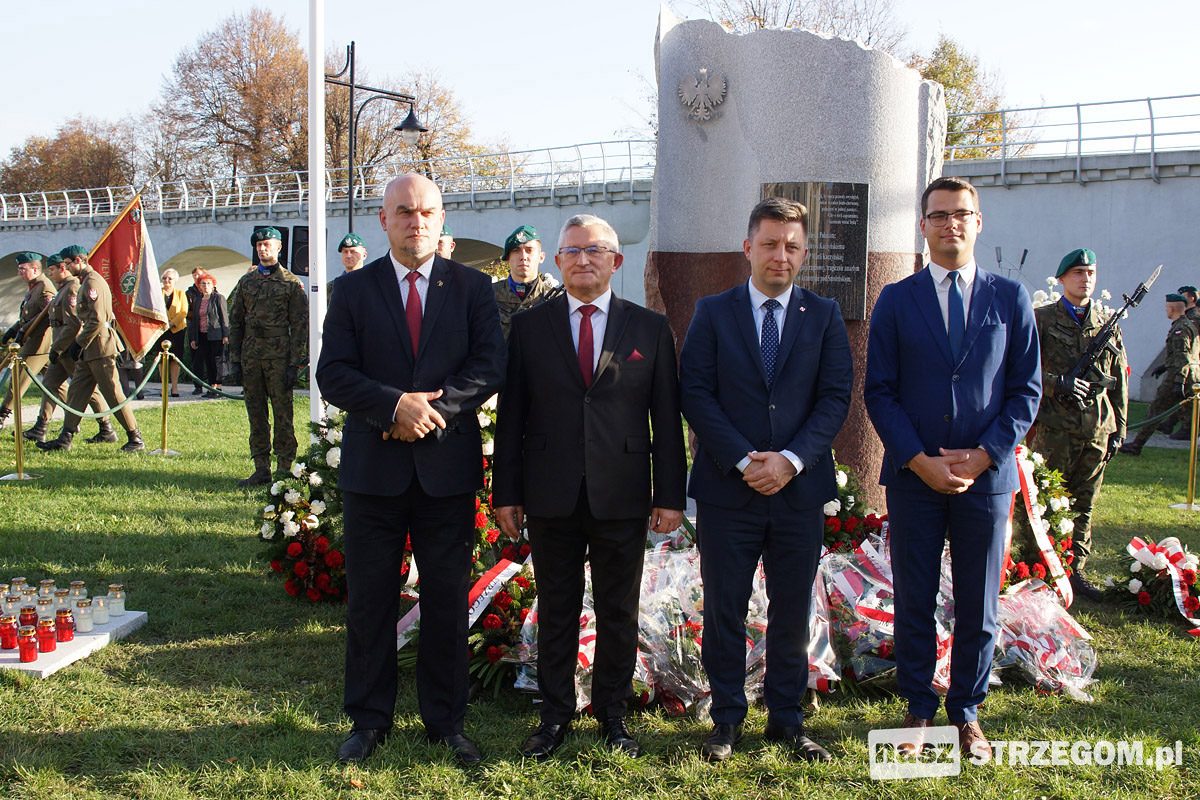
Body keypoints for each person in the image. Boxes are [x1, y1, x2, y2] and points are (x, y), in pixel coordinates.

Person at [316, 174, 505, 767]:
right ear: (383, 220)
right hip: (374, 472)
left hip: (445, 472)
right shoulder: (353, 291)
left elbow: (488, 366)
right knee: (370, 601)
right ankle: (369, 721)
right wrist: (390, 407)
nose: (416, 221)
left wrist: (427, 411)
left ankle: (445, 721)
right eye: (404, 212)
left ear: (441, 218)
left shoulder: (473, 287)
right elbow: (334, 373)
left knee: (447, 600)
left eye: (426, 212)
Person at [494, 214, 686, 761]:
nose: (583, 259)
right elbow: (512, 417)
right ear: (557, 262)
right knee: (557, 607)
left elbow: (666, 421)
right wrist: (506, 492)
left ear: (615, 261)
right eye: (572, 251)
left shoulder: (648, 328)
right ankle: (554, 716)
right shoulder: (530, 328)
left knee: (617, 610)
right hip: (551, 491)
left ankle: (613, 715)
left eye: (595, 249)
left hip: (621, 493)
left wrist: (670, 494)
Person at [864, 177, 1041, 760]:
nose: (950, 224)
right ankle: (918, 708)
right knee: (913, 597)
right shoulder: (895, 298)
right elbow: (880, 392)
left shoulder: (1010, 299)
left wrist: (987, 452)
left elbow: (1026, 392)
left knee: (979, 602)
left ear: (978, 221)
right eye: (938, 215)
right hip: (915, 478)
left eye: (961, 213)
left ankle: (966, 713)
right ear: (923, 226)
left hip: (986, 479)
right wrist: (919, 461)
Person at [678, 198, 853, 763]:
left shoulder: (823, 316)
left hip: (798, 490)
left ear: (803, 254)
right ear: (748, 247)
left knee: (791, 607)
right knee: (725, 607)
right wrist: (744, 461)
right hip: (729, 490)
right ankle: (726, 718)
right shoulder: (712, 311)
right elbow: (695, 393)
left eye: (793, 246)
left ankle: (786, 719)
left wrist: (790, 461)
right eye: (772, 243)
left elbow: (834, 399)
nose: (782, 255)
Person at [1029, 248, 1127, 601]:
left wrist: (1120, 427)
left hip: (1097, 429)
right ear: (1061, 279)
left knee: (1084, 504)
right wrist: (1059, 383)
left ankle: (1076, 572)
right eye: (1078, 273)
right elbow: (1023, 370)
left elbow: (1119, 378)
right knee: (1045, 501)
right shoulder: (1040, 319)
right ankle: (1038, 568)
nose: (1085, 279)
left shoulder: (1106, 322)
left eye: (1090, 273)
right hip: (1055, 430)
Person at [38, 245, 146, 453]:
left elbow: (97, 319)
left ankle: (135, 437)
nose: (67, 268)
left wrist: (79, 342)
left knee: (114, 394)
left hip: (100, 347)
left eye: (69, 264)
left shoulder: (92, 282)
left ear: (79, 260)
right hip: (91, 348)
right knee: (77, 392)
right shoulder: (85, 281)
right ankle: (65, 437)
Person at [228, 227, 308, 486]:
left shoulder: (290, 283)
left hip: (279, 357)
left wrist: (294, 363)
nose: (263, 249)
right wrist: (236, 360)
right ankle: (261, 467)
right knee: (256, 413)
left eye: (268, 244)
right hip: (252, 356)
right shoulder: (246, 282)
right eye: (260, 245)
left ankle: (284, 468)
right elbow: (236, 321)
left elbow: (299, 325)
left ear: (279, 247)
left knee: (283, 414)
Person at [21, 253, 111, 443]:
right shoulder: (63, 288)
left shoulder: (72, 288)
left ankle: (106, 427)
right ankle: (41, 426)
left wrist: (60, 347)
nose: (50, 274)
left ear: (64, 267)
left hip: (69, 348)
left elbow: (73, 324)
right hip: (59, 348)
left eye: (52, 270)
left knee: (88, 391)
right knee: (49, 385)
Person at [1119, 293, 1199, 456]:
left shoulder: (1180, 329)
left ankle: (1136, 445)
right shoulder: (1188, 325)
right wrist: (1164, 366)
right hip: (1193, 375)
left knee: (1155, 410)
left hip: (1180, 375)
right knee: (1195, 415)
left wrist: (1178, 382)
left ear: (1171, 308)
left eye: (1166, 308)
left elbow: (1183, 357)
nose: (1165, 311)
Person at [0, 252, 56, 428]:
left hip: (39, 343)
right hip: (36, 341)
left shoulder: (45, 287)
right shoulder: (34, 287)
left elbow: (47, 313)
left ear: (35, 269)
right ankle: (99, 422)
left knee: (18, 378)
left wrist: (23, 329)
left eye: (22, 269)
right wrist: (15, 327)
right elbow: (30, 313)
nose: (19, 273)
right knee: (56, 386)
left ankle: (2, 415)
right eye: (18, 269)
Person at [492, 224, 563, 338]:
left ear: (541, 257)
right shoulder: (488, 296)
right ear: (507, 258)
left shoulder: (556, 300)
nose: (523, 256)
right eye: (516, 251)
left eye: (529, 250)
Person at [1164, 284, 1200, 440]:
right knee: (1185, 398)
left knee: (1185, 396)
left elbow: (1188, 348)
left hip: (1190, 364)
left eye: (1183, 295)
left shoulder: (1192, 319)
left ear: (1191, 298)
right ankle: (1175, 425)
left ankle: (1186, 428)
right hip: (1188, 364)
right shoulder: (1188, 318)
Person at [188, 271, 229, 398]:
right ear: (199, 286)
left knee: (216, 361)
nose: (206, 285)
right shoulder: (198, 299)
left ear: (213, 285)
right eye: (203, 283)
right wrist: (194, 338)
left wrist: (225, 335)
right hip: (202, 335)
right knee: (208, 361)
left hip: (216, 334)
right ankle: (212, 387)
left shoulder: (218, 298)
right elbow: (195, 320)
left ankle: (219, 387)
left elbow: (224, 317)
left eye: (208, 283)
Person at [159, 268, 190, 397]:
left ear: (175, 281)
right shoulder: (157, 293)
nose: (167, 281)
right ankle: (163, 388)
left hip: (176, 329)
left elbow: (183, 311)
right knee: (161, 359)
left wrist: (172, 323)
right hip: (161, 330)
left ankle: (175, 387)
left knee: (174, 359)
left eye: (170, 278)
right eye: (165, 278)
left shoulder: (180, 293)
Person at [186, 268, 205, 395]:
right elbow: (186, 311)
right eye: (194, 275)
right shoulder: (189, 293)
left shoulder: (212, 291)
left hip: (209, 330)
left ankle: (213, 385)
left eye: (199, 274)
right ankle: (198, 386)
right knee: (196, 360)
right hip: (195, 329)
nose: (197, 277)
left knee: (211, 360)